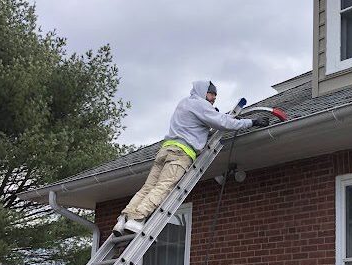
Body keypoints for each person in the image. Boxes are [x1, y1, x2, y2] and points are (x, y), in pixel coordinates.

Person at [113, 80, 269, 236]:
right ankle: (138, 219)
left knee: (147, 188)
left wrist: (208, 121)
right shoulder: (201, 104)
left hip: (165, 150)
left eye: (215, 95)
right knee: (164, 186)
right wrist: (252, 122)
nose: (214, 97)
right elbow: (223, 122)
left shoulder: (185, 103)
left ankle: (124, 219)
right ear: (203, 92)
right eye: (211, 93)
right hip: (180, 154)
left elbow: (194, 128)